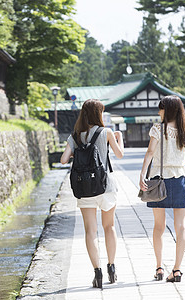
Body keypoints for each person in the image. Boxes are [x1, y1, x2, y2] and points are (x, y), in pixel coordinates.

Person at [60, 99, 124, 289]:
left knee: (90, 231)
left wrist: (78, 152)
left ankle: (97, 272)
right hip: (106, 187)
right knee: (109, 227)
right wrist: (119, 138)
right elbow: (119, 154)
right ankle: (111, 267)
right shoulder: (106, 132)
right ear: (99, 114)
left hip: (85, 188)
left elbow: (63, 159)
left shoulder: (76, 136)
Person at [139, 95, 185, 283]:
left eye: (161, 108)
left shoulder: (157, 129)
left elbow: (150, 153)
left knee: (159, 226)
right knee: (181, 227)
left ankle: (159, 267)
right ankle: (177, 270)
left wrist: (142, 175)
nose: (158, 112)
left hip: (158, 182)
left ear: (167, 110)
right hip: (180, 181)